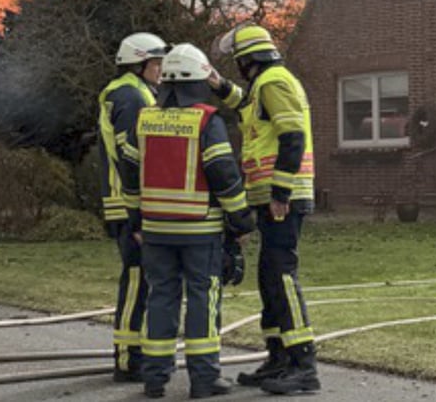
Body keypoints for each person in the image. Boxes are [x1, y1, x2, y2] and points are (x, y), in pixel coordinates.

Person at [131, 43, 255, 399]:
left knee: (161, 296)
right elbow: (223, 174)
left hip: (155, 230)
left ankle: (154, 378)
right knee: (203, 298)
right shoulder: (206, 121)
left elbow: (130, 174)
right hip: (199, 230)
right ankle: (204, 379)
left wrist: (136, 221)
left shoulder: (145, 119)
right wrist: (241, 221)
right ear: (198, 82)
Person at [209, 24, 320, 395]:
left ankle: (303, 364)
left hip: (282, 199)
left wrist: (281, 191)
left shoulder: (273, 82)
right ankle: (278, 358)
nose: (239, 68)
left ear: (248, 59)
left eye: (239, 62)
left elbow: (292, 136)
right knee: (269, 277)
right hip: (271, 198)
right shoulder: (264, 85)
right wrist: (218, 84)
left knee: (282, 276)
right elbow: (245, 106)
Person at [97, 32, 170, 382]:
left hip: (126, 202)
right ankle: (128, 359)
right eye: (156, 63)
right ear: (139, 64)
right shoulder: (131, 96)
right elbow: (131, 155)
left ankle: (135, 353)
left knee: (141, 280)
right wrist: (138, 212)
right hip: (128, 204)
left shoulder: (131, 91)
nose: (161, 70)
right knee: (137, 279)